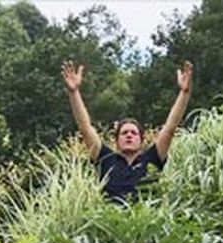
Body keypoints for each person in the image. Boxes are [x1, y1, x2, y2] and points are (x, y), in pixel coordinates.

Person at [62, 59, 193, 204]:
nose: (129, 135)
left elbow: (170, 128)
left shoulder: (152, 159)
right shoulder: (105, 159)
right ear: (116, 141)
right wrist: (73, 92)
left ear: (141, 140)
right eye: (124, 133)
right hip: (111, 223)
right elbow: (85, 128)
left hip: (147, 223)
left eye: (133, 133)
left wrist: (184, 93)